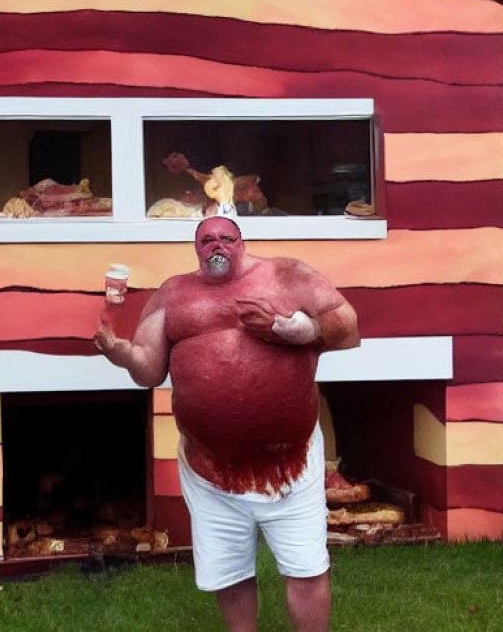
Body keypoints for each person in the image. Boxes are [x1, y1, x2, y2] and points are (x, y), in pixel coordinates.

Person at [94, 216, 359, 632]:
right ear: (196, 248)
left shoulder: (287, 274)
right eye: (206, 240)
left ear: (241, 241)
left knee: (306, 569)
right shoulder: (174, 293)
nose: (216, 246)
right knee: (230, 572)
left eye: (225, 238)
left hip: (291, 461)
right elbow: (148, 370)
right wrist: (123, 354)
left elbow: (348, 327)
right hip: (210, 470)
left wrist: (305, 329)